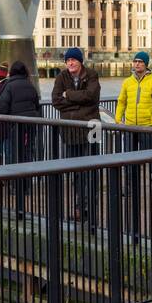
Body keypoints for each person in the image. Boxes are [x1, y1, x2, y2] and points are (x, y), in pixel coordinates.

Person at [51, 47, 102, 223]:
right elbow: (56, 100)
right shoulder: (61, 77)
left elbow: (92, 96)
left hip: (91, 128)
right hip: (70, 131)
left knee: (91, 169)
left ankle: (90, 206)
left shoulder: (92, 75)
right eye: (68, 61)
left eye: (73, 60)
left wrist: (69, 96)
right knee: (76, 171)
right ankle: (80, 207)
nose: (70, 63)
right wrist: (79, 105)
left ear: (80, 62)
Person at [0, 60, 41, 164]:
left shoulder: (9, 86)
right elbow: (37, 105)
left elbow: (2, 107)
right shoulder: (31, 85)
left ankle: (14, 177)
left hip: (14, 124)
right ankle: (27, 176)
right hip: (30, 124)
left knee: (13, 151)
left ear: (11, 72)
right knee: (28, 150)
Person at [115, 51, 152, 127]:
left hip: (148, 127)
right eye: (135, 61)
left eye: (140, 61)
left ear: (146, 64)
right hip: (129, 126)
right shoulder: (127, 82)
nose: (137, 64)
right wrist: (118, 120)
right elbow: (121, 102)